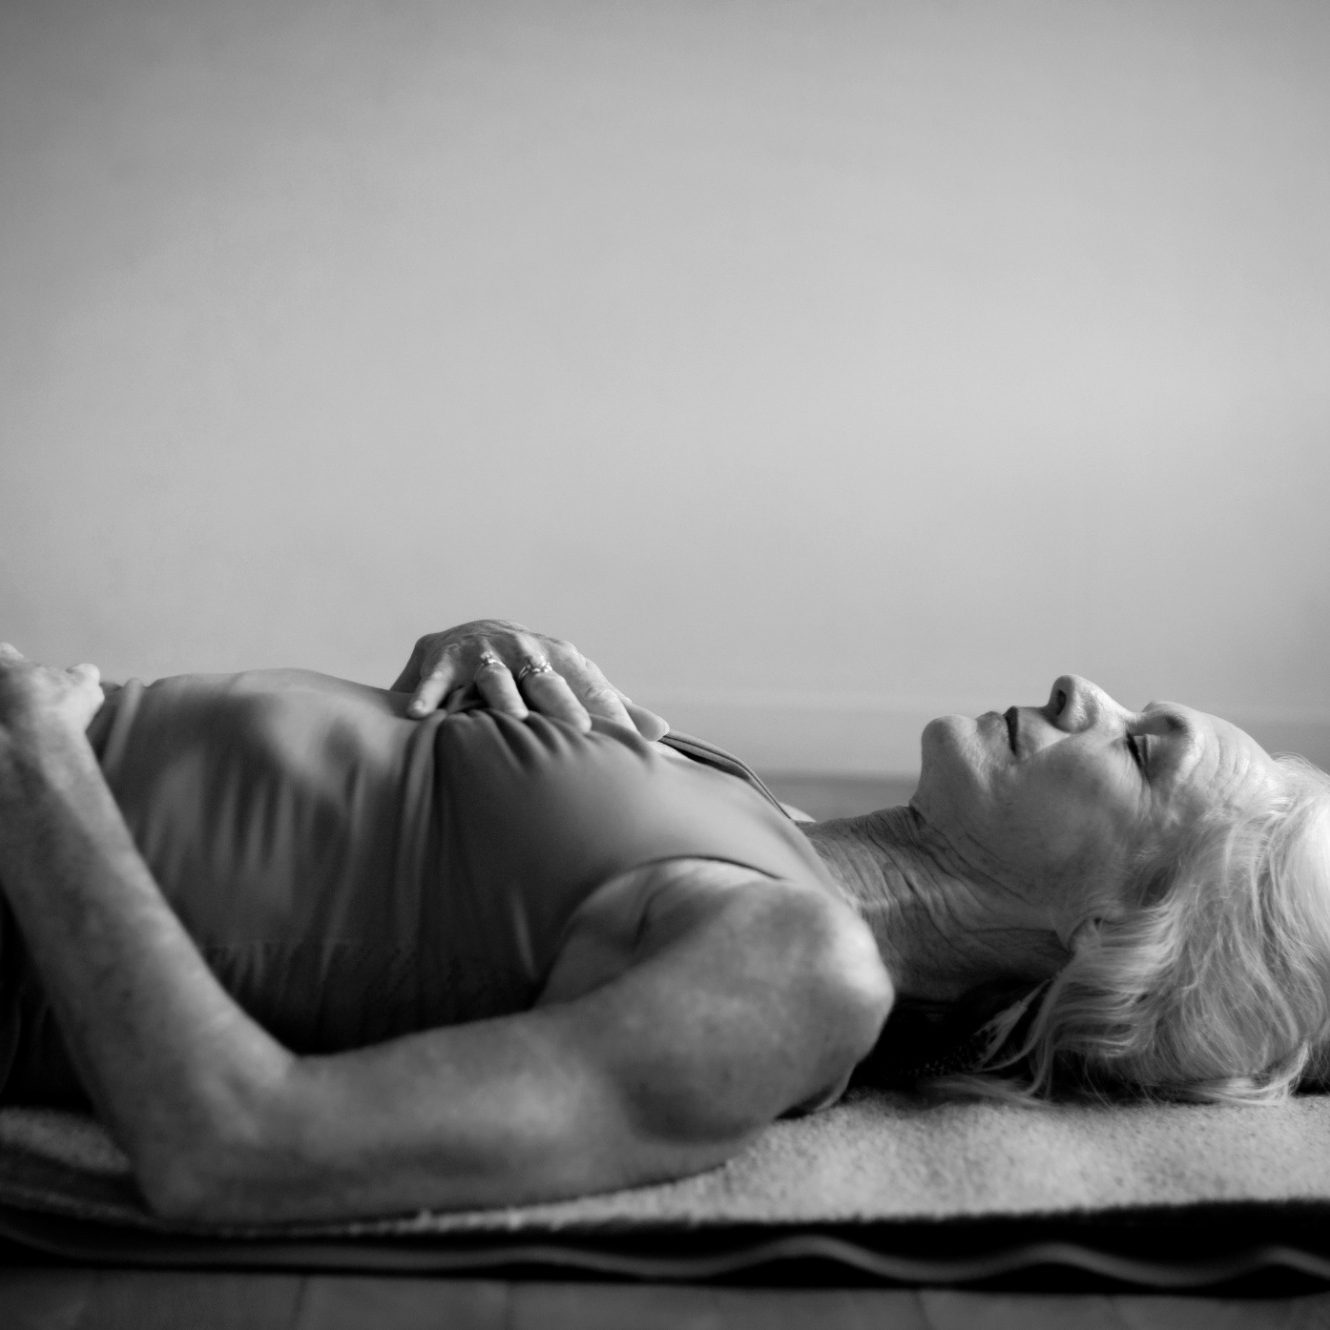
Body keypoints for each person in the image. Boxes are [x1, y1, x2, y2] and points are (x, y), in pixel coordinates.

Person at [0, 621, 1326, 1227]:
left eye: (1138, 750)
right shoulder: (775, 826)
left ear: (1117, 937)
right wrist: (462, 697)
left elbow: (233, 1146)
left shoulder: (801, 970)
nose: (1082, 686)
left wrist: (41, 764)